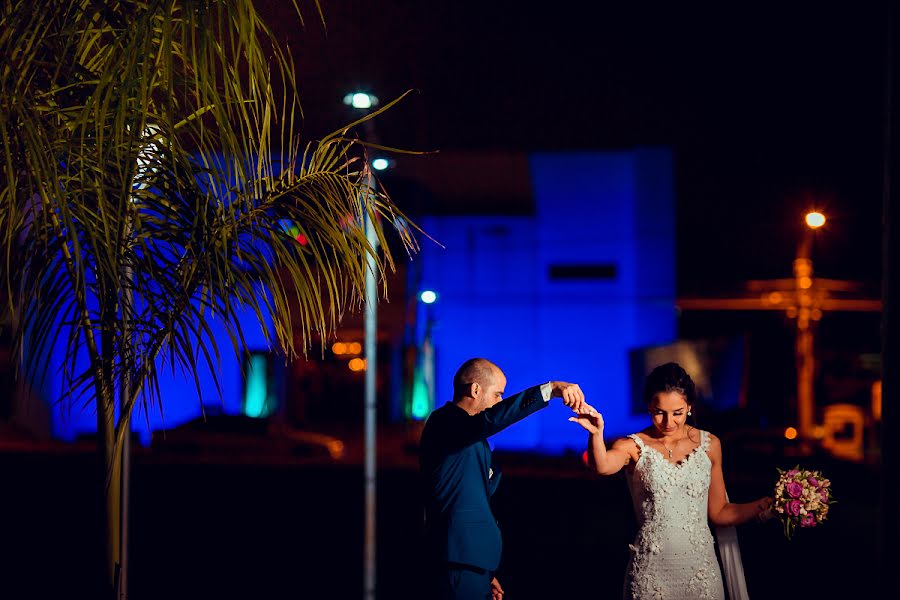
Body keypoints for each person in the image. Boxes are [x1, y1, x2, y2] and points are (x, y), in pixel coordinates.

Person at [569, 362, 772, 600]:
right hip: (651, 574)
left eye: (677, 413)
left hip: (702, 574)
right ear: (648, 406)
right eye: (659, 412)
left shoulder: (710, 445)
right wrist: (596, 435)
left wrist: (765, 505)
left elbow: (719, 513)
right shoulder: (633, 446)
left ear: (690, 407)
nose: (668, 422)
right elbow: (602, 466)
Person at [419, 358, 585, 600]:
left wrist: (485, 571)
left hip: (472, 563)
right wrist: (549, 389)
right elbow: (490, 420)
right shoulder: (445, 421)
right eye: (498, 395)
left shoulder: (471, 436)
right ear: (475, 389)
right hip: (456, 561)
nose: (500, 403)